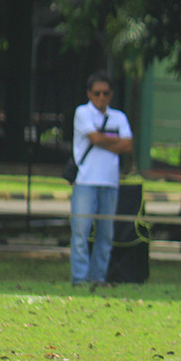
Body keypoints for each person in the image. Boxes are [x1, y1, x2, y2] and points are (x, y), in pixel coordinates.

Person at [69, 71, 133, 286]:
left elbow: (128, 145)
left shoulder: (119, 117)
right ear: (89, 93)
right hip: (85, 182)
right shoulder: (82, 112)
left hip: (110, 182)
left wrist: (103, 141)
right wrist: (115, 142)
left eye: (105, 93)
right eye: (97, 93)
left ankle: (97, 277)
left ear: (111, 94)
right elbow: (95, 139)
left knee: (105, 235)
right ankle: (79, 278)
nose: (101, 97)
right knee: (81, 232)